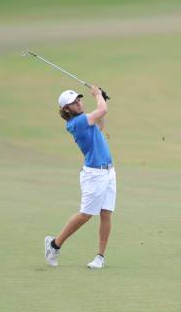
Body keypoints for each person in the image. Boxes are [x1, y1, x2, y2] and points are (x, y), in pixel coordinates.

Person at [44, 85, 116, 269]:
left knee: (106, 213)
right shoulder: (76, 123)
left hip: (108, 172)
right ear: (66, 109)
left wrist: (102, 100)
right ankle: (54, 244)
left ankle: (100, 256)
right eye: (74, 102)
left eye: (78, 99)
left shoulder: (86, 120)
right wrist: (98, 95)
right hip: (94, 175)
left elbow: (100, 123)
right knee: (86, 215)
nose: (78, 103)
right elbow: (102, 110)